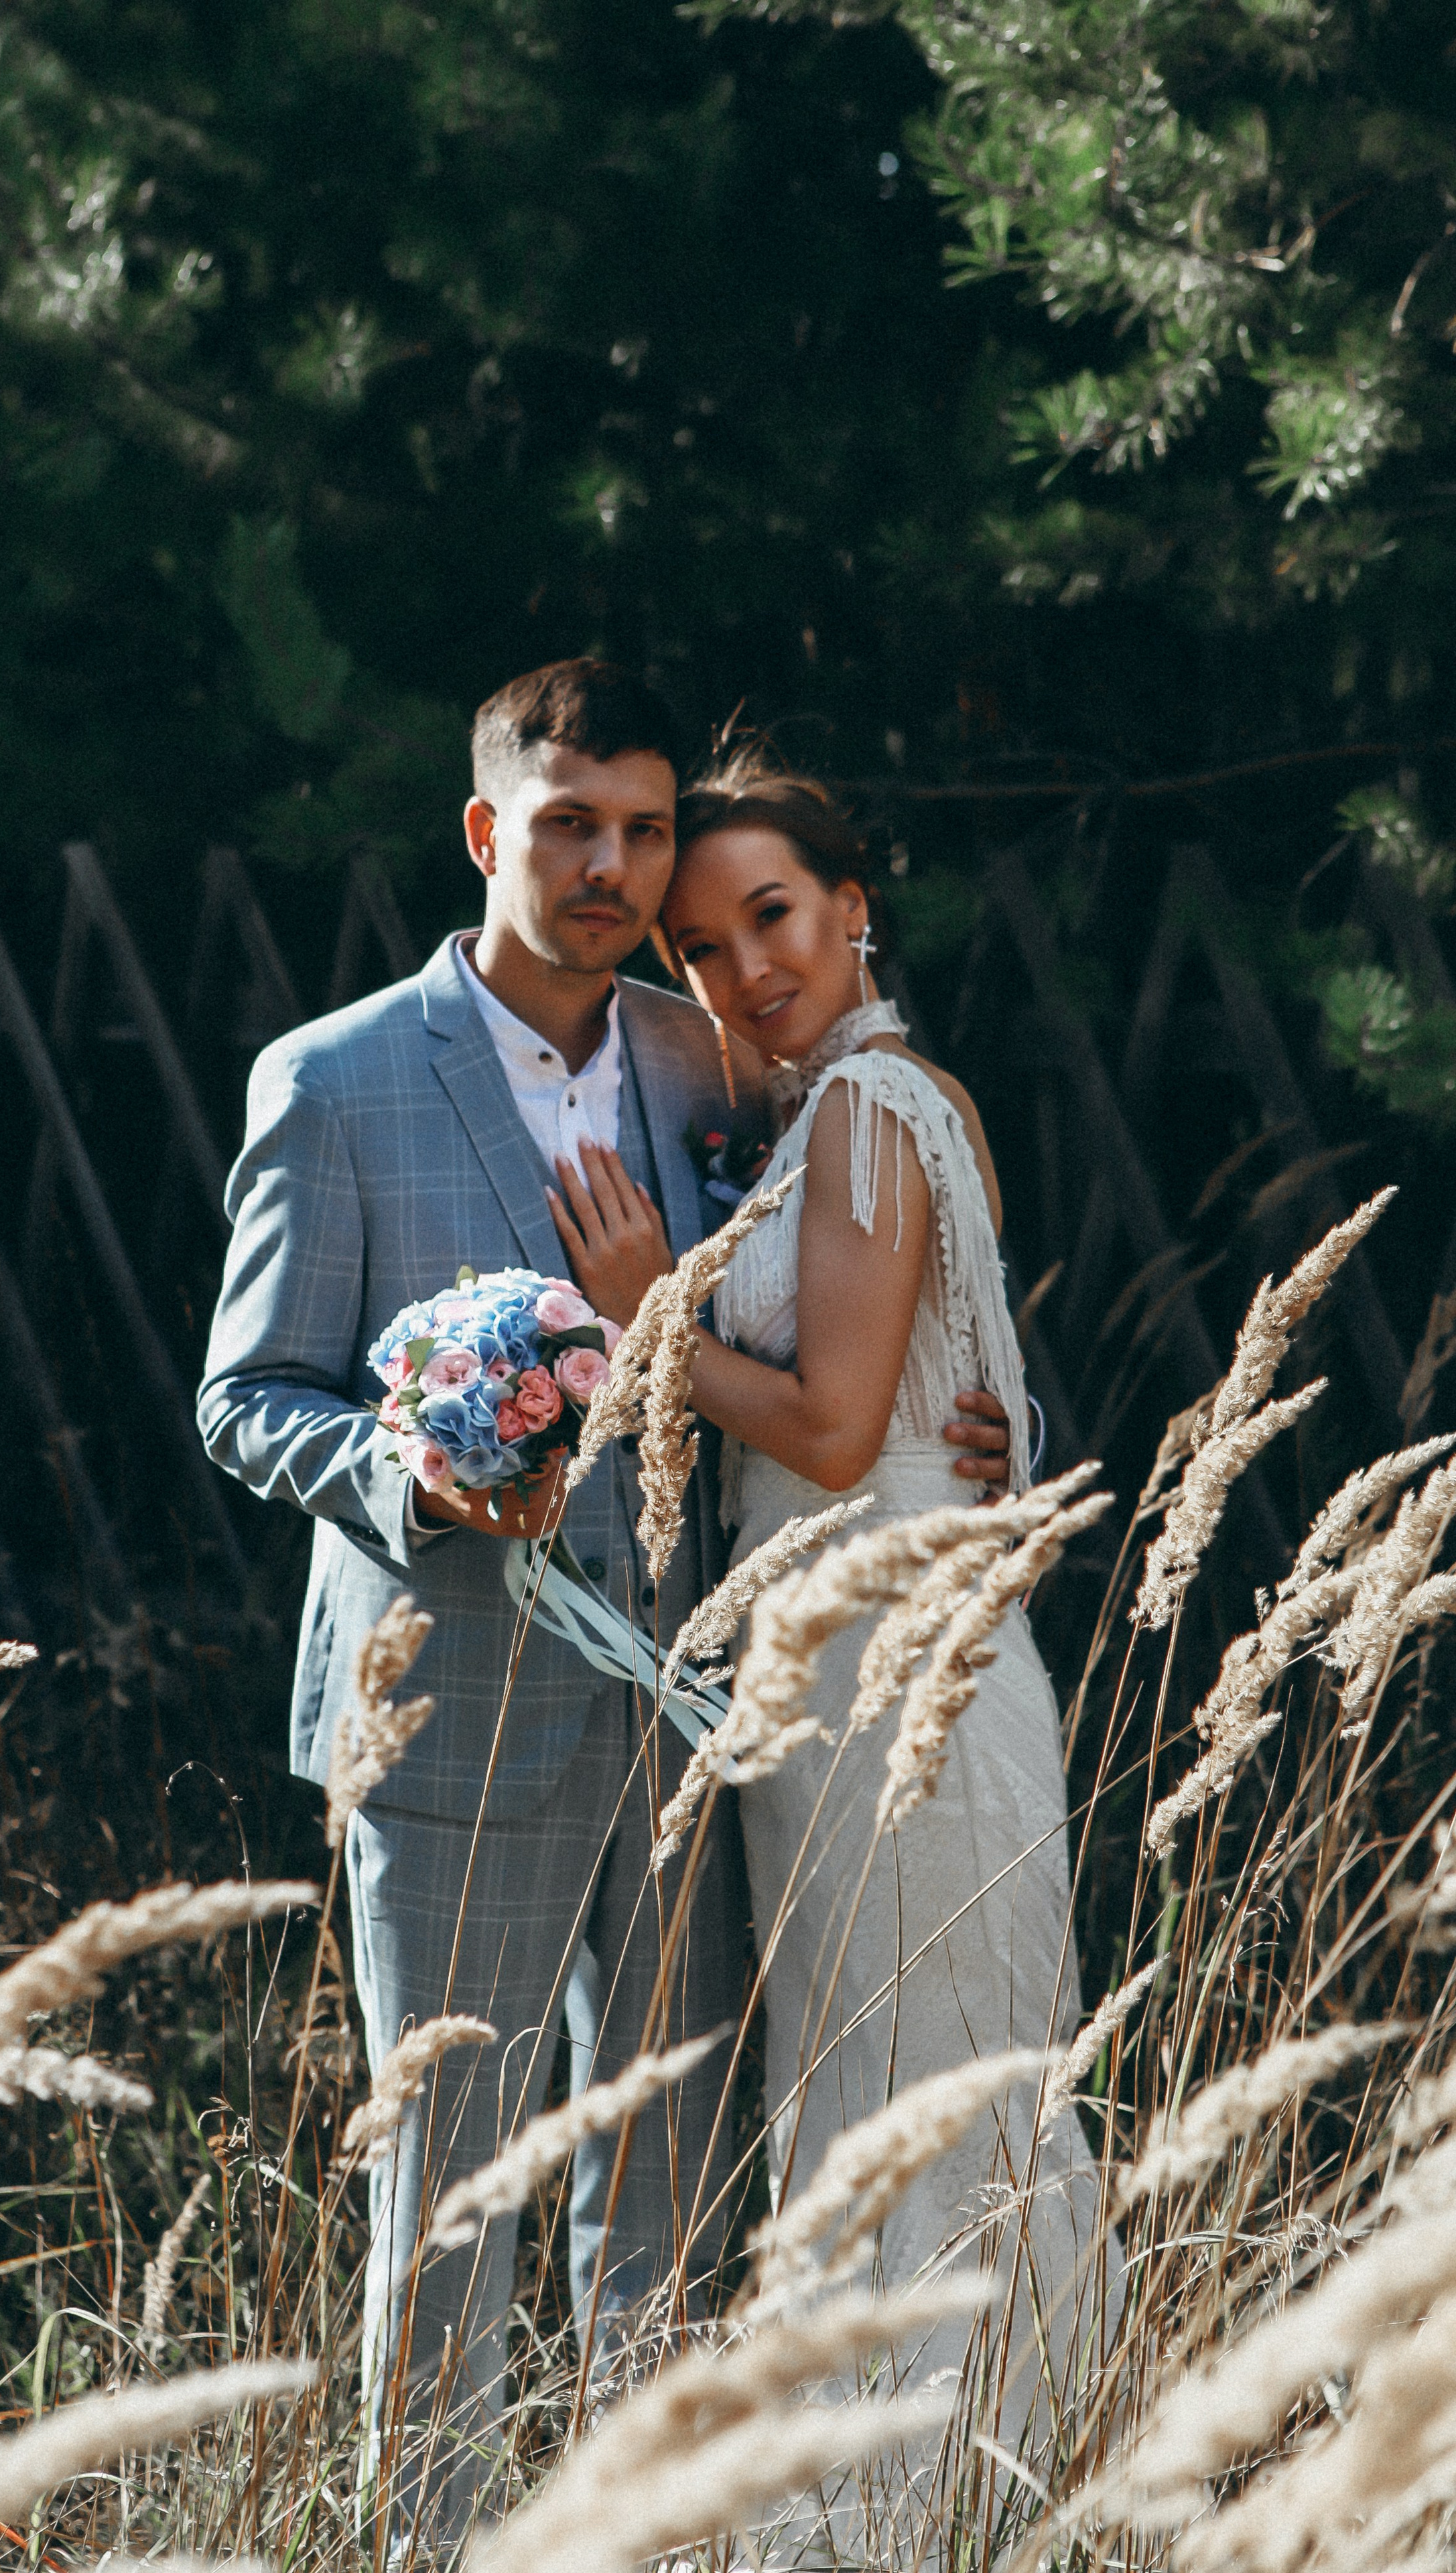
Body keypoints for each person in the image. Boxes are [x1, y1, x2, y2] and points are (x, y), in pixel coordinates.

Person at [197, 664, 1012, 2555]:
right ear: (488, 832)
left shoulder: (707, 1054)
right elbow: (248, 1398)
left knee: (664, 2190)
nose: (615, 867)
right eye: (572, 826)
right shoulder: (332, 1081)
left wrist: (983, 1410)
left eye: (645, 831)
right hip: (449, 1694)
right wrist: (421, 1479)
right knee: (455, 2203)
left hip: (690, 1697)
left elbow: (878, 1249)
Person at [549, 750, 1102, 2566]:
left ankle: (926, 2515)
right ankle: (936, 2505)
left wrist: (646, 1323)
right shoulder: (839, 1108)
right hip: (855, 1677)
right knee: (876, 2096)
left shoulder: (869, 1105)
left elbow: (847, 1421)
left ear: (859, 902)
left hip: (898, 1689)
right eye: (701, 950)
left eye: (771, 917)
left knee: (917, 2099)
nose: (741, 973)